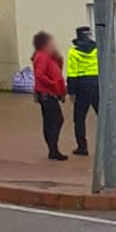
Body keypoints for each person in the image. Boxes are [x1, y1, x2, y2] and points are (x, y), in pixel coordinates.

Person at [32, 31, 67, 161]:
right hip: (47, 94)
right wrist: (52, 84)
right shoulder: (42, 56)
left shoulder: (49, 57)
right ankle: (53, 149)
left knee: (51, 121)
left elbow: (57, 71)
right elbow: (40, 74)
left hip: (50, 93)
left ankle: (53, 149)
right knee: (56, 120)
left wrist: (58, 58)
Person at [66, 26, 99, 156]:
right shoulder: (97, 49)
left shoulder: (73, 52)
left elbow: (72, 73)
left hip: (81, 87)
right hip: (97, 85)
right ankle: (114, 143)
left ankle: (82, 147)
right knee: (104, 117)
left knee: (79, 119)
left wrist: (71, 91)